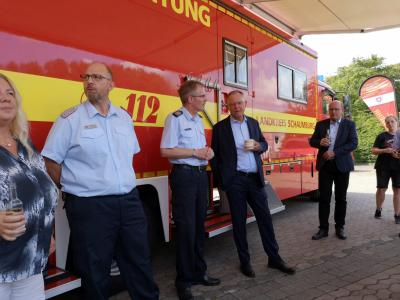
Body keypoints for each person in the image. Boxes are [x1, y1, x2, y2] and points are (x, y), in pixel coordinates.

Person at [41, 62, 159, 300]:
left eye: (97, 76)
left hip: (129, 202)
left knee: (140, 263)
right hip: (90, 207)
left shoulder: (124, 118)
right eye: (86, 77)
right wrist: (74, 187)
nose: (89, 81)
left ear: (111, 84)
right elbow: (50, 161)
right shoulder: (70, 119)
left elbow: (128, 156)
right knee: (95, 271)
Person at [211, 90, 295, 278]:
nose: (236, 107)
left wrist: (258, 146)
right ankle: (245, 261)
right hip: (235, 182)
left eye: (239, 103)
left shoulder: (253, 123)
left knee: (265, 218)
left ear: (245, 103)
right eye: (232, 104)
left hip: (255, 180)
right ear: (227, 107)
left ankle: (274, 258)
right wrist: (223, 180)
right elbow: (215, 158)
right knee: (239, 223)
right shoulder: (220, 128)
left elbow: (264, 144)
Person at [0, 73, 58, 300]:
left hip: (30, 263)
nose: (5, 99)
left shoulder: (25, 144)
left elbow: (42, 192)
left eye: (9, 93)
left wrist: (47, 232)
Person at [160, 80, 220, 300]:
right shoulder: (175, 119)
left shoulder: (197, 120)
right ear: (190, 99)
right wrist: (195, 152)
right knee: (186, 230)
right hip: (184, 176)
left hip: (199, 176)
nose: (206, 98)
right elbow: (165, 151)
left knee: (198, 227)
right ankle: (183, 281)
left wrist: (207, 152)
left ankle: (199, 273)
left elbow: (198, 149)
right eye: (202, 95)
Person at [309, 100, 358, 240]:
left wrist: (334, 152)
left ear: (341, 110)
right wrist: (319, 142)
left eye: (336, 109)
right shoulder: (321, 124)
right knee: (324, 198)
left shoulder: (349, 125)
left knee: (341, 198)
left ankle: (340, 227)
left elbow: (353, 143)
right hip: (325, 166)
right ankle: (323, 229)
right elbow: (312, 141)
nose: (333, 112)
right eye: (331, 109)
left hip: (342, 166)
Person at [371, 115, 400, 223]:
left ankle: (397, 215)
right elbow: (373, 150)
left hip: (398, 167)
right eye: (387, 122)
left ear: (397, 122)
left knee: (397, 190)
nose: (390, 124)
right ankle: (378, 208)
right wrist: (384, 150)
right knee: (381, 189)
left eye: (392, 121)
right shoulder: (382, 136)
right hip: (383, 166)